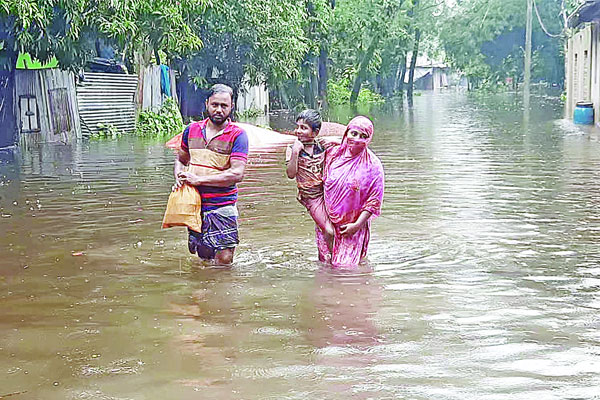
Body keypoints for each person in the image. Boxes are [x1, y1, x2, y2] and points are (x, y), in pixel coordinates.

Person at [174, 84, 249, 265]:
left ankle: (223, 292)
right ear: (207, 104)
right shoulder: (190, 130)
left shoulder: (238, 135)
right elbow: (181, 159)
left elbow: (237, 173)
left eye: (224, 106)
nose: (219, 110)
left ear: (232, 107)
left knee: (224, 259)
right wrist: (178, 176)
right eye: (215, 104)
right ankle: (209, 291)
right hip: (195, 203)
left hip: (223, 204)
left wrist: (199, 179)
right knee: (204, 257)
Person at [316, 116, 384, 267]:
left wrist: (357, 225)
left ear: (369, 139)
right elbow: (309, 144)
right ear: (346, 133)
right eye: (354, 133)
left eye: (363, 136)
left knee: (345, 269)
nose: (357, 139)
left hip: (352, 228)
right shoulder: (332, 154)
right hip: (326, 225)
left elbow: (374, 202)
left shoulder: (373, 166)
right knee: (326, 267)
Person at [286, 110, 335, 251]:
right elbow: (290, 174)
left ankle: (331, 256)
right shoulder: (292, 149)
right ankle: (336, 261)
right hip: (310, 196)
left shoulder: (321, 147)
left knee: (336, 227)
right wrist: (295, 152)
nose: (298, 131)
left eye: (304, 128)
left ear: (315, 132)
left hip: (327, 193)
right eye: (298, 127)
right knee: (329, 231)